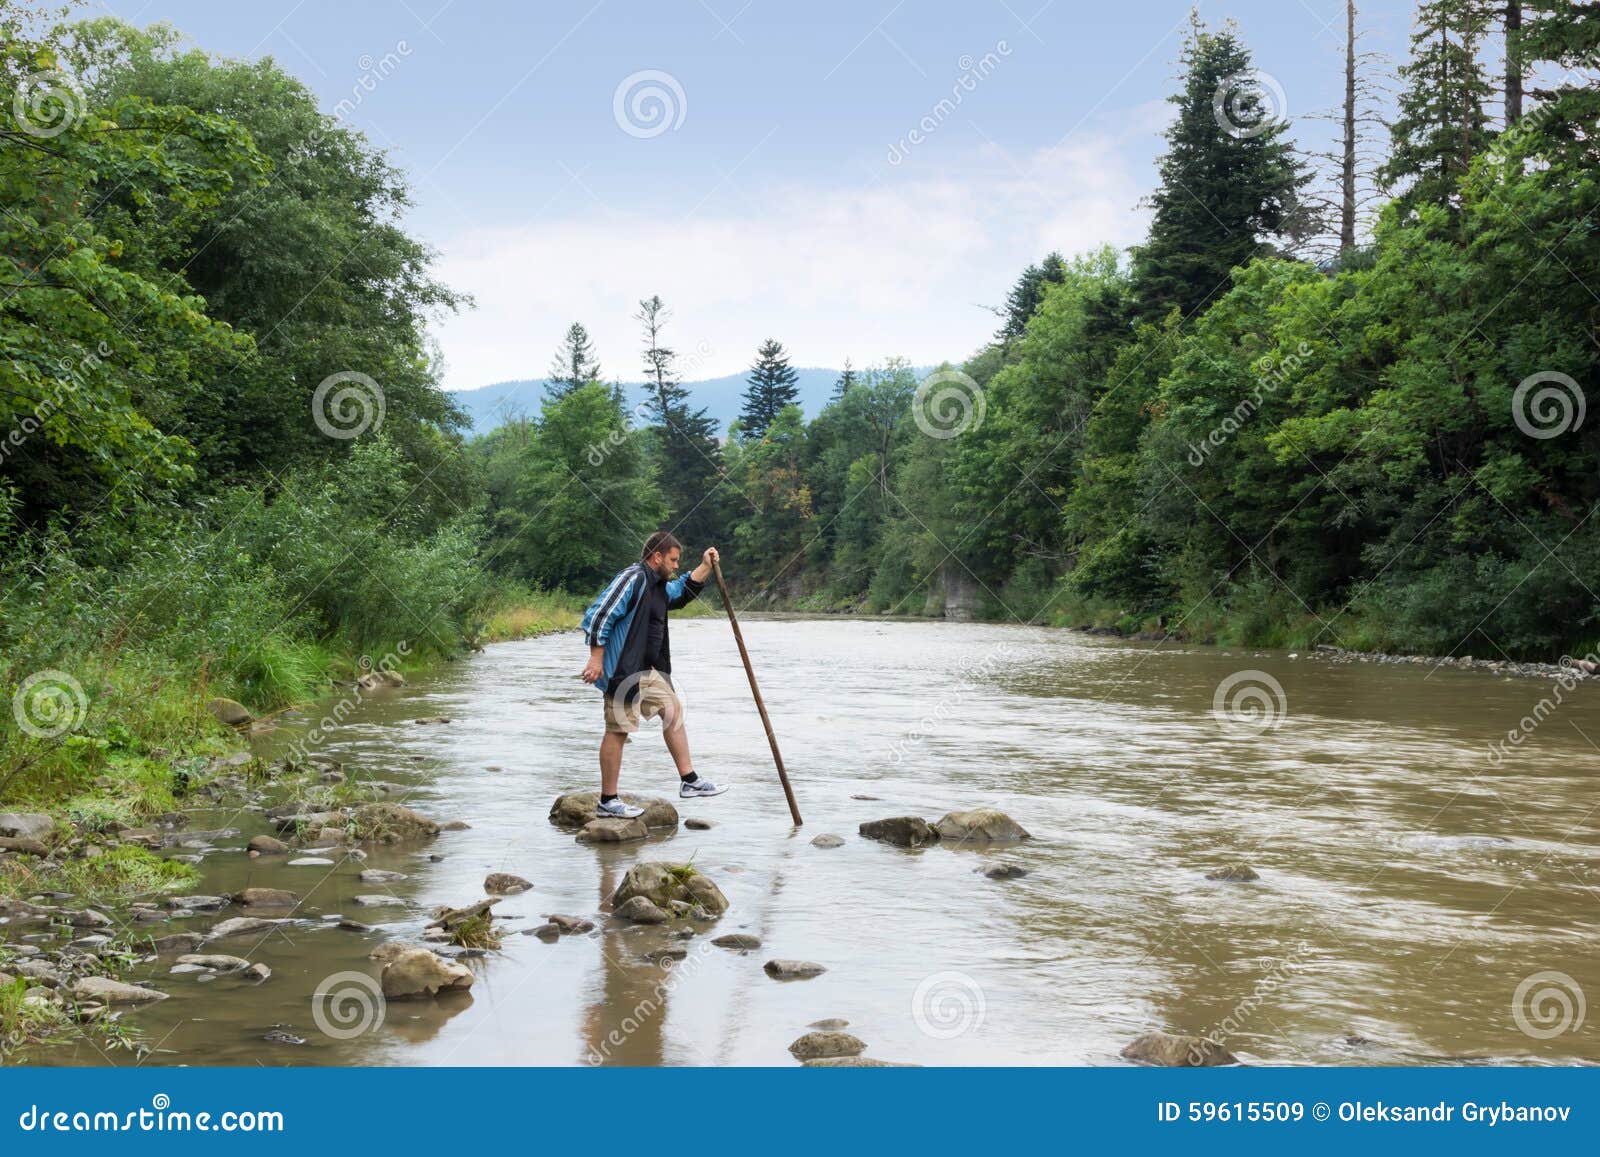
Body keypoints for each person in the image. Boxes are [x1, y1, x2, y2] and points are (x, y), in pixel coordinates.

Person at [580, 531, 729, 818]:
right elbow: (599, 614)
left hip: (645, 671)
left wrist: (705, 566)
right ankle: (608, 801)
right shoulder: (633, 578)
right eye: (673, 560)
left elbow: (681, 591)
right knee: (618, 731)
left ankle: (690, 781)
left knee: (673, 709)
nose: (675, 566)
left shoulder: (658, 586)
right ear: (656, 556)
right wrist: (596, 658)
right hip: (622, 671)